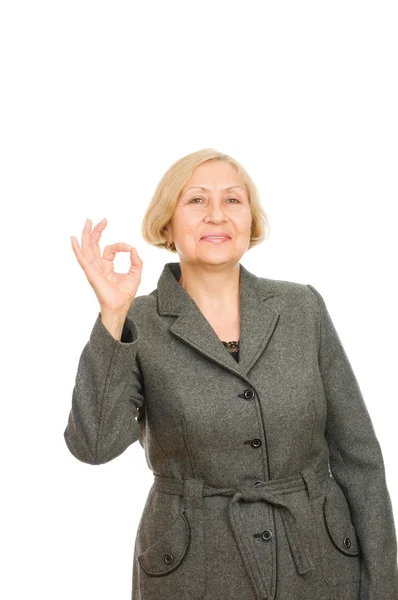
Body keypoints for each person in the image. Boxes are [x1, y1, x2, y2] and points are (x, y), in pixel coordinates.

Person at [64, 148, 398, 600]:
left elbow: (359, 457)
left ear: (251, 221)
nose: (216, 215)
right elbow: (95, 445)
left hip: (320, 565)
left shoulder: (302, 307)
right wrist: (113, 313)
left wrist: (383, 585)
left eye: (233, 201)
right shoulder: (136, 321)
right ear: (166, 224)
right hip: (193, 569)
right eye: (197, 201)